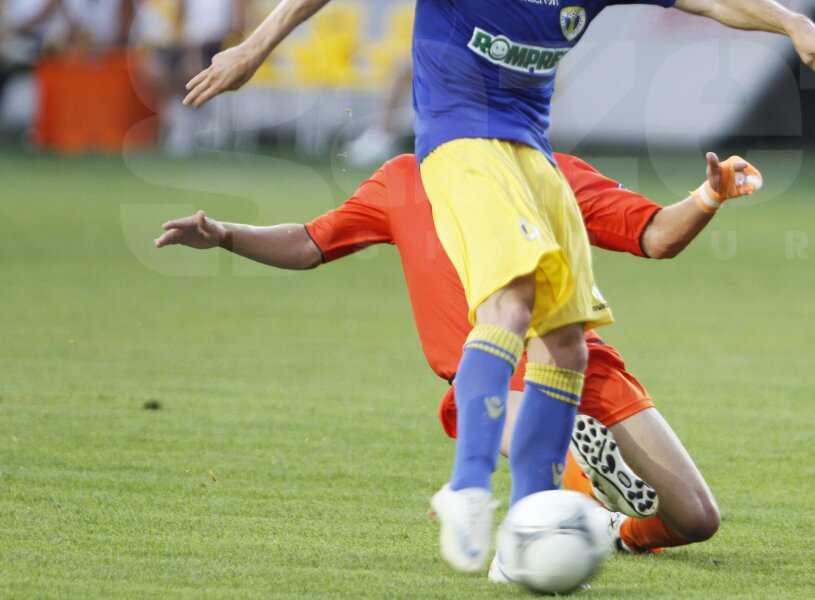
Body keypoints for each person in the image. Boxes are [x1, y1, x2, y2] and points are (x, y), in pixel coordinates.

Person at [180, 0, 815, 574]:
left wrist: (794, 27)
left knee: (565, 343)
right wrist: (253, 50)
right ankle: (468, 487)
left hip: (532, 157)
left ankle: (529, 521)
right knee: (511, 302)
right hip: (462, 144)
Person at [155, 150, 762, 573]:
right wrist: (228, 234)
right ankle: (556, 503)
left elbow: (655, 234)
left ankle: (608, 525)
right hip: (488, 375)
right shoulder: (403, 180)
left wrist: (709, 194)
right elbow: (314, 241)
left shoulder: (553, 174)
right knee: (533, 430)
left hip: (577, 359)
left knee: (696, 518)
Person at [146, 0, 253, 155]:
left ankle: (186, 126)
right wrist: (173, 37)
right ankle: (184, 118)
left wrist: (199, 41)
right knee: (154, 69)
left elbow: (239, 25)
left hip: (219, 43)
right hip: (189, 41)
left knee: (190, 68)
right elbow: (180, 15)